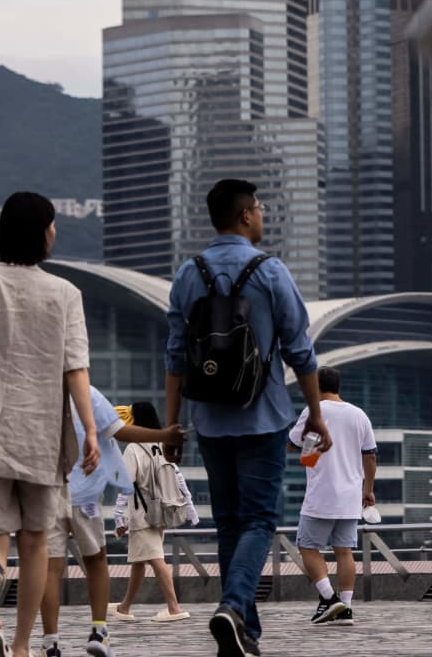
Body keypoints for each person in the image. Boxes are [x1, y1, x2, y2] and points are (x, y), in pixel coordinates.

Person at [0, 192, 103, 657]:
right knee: (35, 543)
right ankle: (24, 644)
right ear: (43, 231)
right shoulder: (65, 293)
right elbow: (76, 369)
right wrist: (89, 430)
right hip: (41, 434)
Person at [165, 178, 328, 657]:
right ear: (244, 216)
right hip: (262, 415)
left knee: (230, 525)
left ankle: (244, 634)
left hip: (210, 420)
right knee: (259, 520)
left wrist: (173, 424)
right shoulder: (271, 271)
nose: (261, 215)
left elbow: (175, 356)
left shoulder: (187, 273)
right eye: (258, 208)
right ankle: (234, 606)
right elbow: (301, 351)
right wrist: (315, 415)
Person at [38, 389, 183, 657]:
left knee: (50, 569)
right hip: (85, 492)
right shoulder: (87, 393)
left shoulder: (35, 390)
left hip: (47, 490)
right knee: (96, 560)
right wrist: (164, 435)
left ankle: (51, 642)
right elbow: (120, 431)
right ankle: (99, 631)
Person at [288, 367, 377, 625]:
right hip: (351, 496)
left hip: (321, 494)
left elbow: (299, 450)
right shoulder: (359, 415)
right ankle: (346, 609)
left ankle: (329, 599)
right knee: (344, 551)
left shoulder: (314, 411)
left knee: (307, 546)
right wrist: (368, 489)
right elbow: (370, 455)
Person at [112, 401, 192, 626]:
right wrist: (189, 506)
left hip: (142, 514)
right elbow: (177, 476)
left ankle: (174, 608)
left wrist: (121, 516)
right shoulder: (161, 444)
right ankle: (124, 606)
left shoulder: (134, 448)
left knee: (156, 559)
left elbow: (126, 483)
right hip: (161, 511)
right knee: (140, 561)